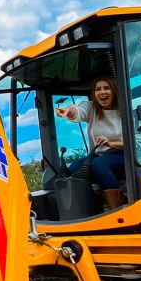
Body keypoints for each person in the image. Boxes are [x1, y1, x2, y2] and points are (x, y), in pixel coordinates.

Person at [54, 77, 126, 209]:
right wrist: (68, 111)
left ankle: (117, 208)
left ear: (114, 91)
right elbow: (77, 110)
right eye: (98, 89)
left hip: (124, 155)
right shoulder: (92, 108)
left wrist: (110, 143)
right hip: (101, 155)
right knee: (75, 169)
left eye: (106, 88)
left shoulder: (124, 110)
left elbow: (136, 144)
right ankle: (93, 206)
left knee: (98, 164)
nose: (102, 92)